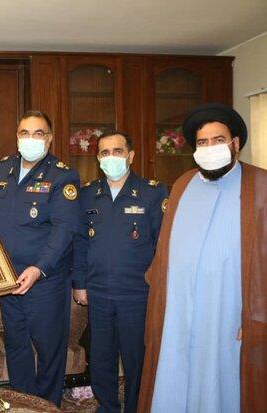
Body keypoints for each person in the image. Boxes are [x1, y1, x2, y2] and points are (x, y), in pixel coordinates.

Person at [138, 103, 267, 413]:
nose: (210, 148)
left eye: (218, 140)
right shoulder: (183, 184)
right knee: (174, 377)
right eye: (202, 142)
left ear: (235, 143)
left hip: (227, 313)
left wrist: (257, 316)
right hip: (178, 310)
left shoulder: (260, 185)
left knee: (220, 386)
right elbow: (165, 248)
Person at [0, 110, 81, 405]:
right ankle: (24, 405)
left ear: (49, 138)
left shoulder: (62, 175)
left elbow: (64, 229)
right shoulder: (2, 169)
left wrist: (39, 268)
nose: (30, 139)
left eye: (38, 133)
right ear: (17, 136)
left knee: (49, 350)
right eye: (24, 133)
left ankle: (47, 407)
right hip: (9, 278)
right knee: (17, 346)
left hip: (45, 281)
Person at [71, 131, 167, 413]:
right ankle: (107, 407)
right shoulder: (88, 194)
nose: (110, 157)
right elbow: (80, 242)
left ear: (130, 156)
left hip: (137, 294)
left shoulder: (152, 192)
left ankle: (137, 407)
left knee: (137, 360)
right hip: (98, 292)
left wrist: (160, 290)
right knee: (102, 359)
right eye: (104, 152)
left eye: (117, 151)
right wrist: (79, 283)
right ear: (98, 158)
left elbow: (163, 246)